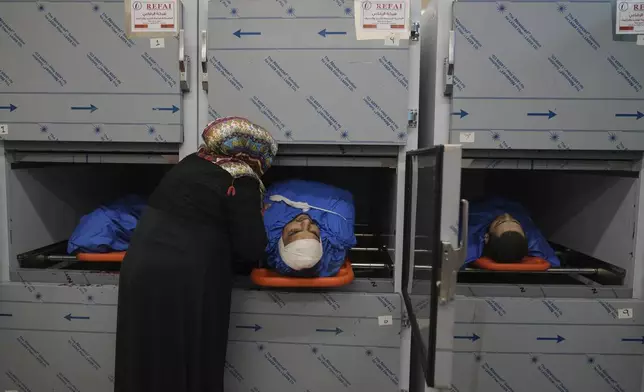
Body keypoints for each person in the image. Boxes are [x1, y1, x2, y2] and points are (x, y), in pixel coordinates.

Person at [114, 117, 277, 392]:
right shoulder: (240, 176)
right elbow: (251, 248)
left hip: (139, 273)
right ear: (255, 154)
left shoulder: (192, 162)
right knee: (188, 359)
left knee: (143, 359)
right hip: (185, 284)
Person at [262, 180, 356, 277]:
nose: (306, 222)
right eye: (313, 233)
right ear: (321, 240)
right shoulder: (339, 233)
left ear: (280, 240)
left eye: (294, 231)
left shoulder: (269, 226)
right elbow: (344, 201)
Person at [465, 197, 560, 266]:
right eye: (516, 221)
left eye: (499, 222)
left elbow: (464, 259)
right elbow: (551, 260)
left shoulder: (473, 233)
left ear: (487, 237)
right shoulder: (531, 234)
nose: (507, 215)